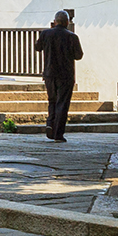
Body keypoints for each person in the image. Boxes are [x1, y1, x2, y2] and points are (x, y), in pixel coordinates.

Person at [35, 11, 83, 141]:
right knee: (62, 103)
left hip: (49, 73)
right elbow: (79, 55)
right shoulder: (72, 37)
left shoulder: (46, 34)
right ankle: (58, 133)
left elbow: (37, 47)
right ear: (67, 22)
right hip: (66, 75)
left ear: (55, 21)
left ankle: (50, 123)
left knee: (52, 100)